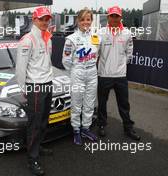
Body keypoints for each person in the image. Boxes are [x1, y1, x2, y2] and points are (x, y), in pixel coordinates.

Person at [16, 6, 54, 176]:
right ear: (34, 19)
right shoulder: (27, 40)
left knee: (44, 120)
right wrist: (24, 89)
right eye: (42, 19)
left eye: (47, 19)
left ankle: (38, 146)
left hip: (47, 83)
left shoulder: (49, 38)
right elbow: (20, 69)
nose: (45, 22)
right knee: (35, 123)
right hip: (35, 87)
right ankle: (32, 159)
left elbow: (46, 63)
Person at [97, 5, 141, 140]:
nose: (115, 18)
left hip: (120, 75)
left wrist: (120, 65)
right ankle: (102, 125)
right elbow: (95, 52)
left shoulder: (127, 33)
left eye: (117, 16)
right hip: (104, 74)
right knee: (102, 103)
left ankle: (128, 127)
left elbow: (129, 53)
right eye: (112, 16)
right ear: (108, 17)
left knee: (124, 103)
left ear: (121, 17)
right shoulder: (100, 32)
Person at [62, 8, 99, 145]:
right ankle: (76, 130)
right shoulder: (71, 39)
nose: (85, 22)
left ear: (91, 21)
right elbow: (66, 61)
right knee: (76, 103)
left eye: (88, 19)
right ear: (78, 21)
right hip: (77, 72)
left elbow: (97, 55)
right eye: (82, 19)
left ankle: (86, 128)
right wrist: (75, 72)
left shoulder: (96, 37)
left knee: (89, 103)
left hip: (92, 73)